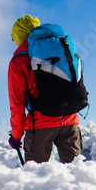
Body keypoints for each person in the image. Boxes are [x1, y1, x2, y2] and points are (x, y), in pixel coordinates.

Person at [7, 15, 82, 164]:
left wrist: (16, 136)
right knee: (77, 176)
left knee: (36, 179)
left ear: (18, 37)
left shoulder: (18, 62)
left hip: (40, 125)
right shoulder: (59, 48)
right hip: (70, 121)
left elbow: (17, 105)